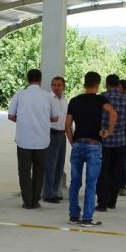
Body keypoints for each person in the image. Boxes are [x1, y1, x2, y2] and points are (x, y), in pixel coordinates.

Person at [65, 71, 117, 227]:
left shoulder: (74, 101)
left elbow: (67, 125)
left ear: (84, 84)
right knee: (91, 182)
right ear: (97, 85)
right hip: (93, 145)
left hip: (78, 143)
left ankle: (74, 215)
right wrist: (108, 131)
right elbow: (113, 114)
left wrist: (72, 141)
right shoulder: (101, 100)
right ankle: (87, 218)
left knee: (75, 182)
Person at [8, 69, 57, 209]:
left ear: (27, 80)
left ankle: (27, 201)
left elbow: (10, 116)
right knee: (39, 171)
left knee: (24, 172)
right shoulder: (49, 96)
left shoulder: (20, 95)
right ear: (40, 80)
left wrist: (23, 120)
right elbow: (55, 118)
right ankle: (35, 201)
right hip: (42, 140)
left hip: (24, 140)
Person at [96, 74, 126, 211]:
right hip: (120, 141)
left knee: (103, 172)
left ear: (106, 84)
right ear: (118, 84)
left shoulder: (101, 98)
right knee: (116, 172)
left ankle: (102, 203)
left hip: (103, 141)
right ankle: (112, 201)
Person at [42, 76, 68, 204]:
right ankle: (47, 193)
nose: (56, 87)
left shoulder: (64, 100)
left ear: (63, 86)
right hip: (51, 134)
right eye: (54, 85)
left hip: (62, 135)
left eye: (59, 85)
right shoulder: (47, 99)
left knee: (59, 165)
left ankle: (56, 191)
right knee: (50, 165)